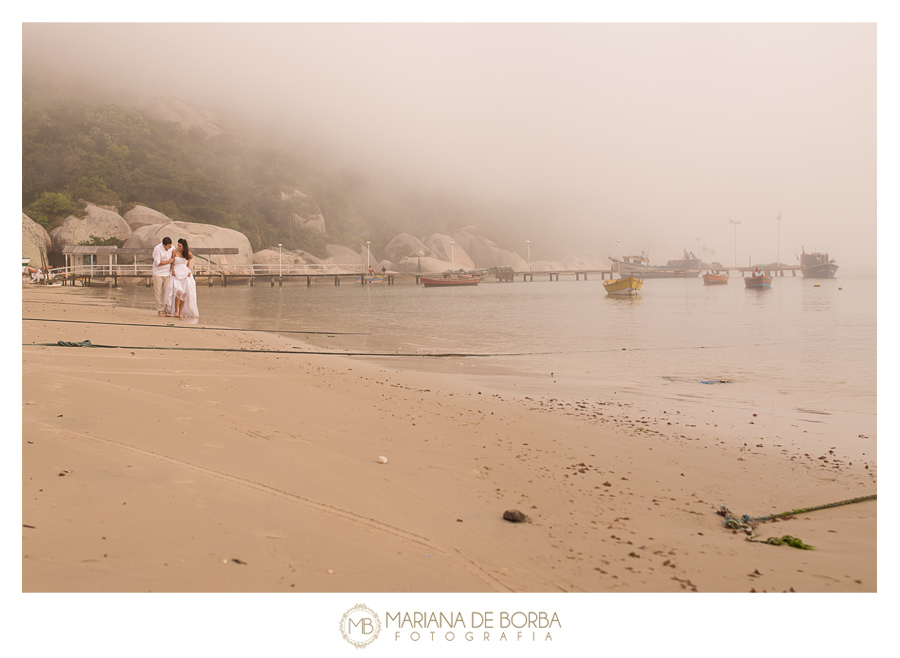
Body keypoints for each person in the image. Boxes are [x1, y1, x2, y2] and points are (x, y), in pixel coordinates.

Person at [164, 238, 199, 318]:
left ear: (183, 246)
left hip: (185, 273)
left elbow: (188, 265)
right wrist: (172, 270)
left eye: (180, 246)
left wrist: (189, 272)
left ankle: (180, 312)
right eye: (178, 245)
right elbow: (172, 263)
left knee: (184, 293)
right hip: (176, 272)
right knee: (178, 292)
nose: (178, 247)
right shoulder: (174, 252)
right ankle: (176, 311)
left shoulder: (187, 254)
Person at [152, 237, 175, 316]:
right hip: (158, 273)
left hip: (168, 273)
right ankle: (160, 310)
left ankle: (168, 309)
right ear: (164, 245)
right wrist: (169, 261)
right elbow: (158, 262)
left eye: (171, 245)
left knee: (168, 292)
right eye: (168, 246)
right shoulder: (157, 249)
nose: (170, 247)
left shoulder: (172, 248)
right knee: (158, 293)